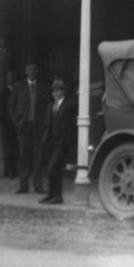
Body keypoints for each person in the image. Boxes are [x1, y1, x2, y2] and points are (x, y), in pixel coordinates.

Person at [8, 63, 48, 194]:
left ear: (37, 72)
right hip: (24, 126)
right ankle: (23, 186)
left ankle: (38, 185)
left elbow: (47, 106)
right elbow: (11, 105)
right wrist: (16, 122)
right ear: (26, 71)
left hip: (37, 126)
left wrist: (45, 123)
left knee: (38, 156)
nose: (32, 72)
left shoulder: (42, 87)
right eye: (30, 69)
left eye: (34, 70)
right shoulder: (18, 87)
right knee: (23, 156)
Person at [39, 77, 76, 205]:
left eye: (58, 91)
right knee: (54, 169)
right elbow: (46, 124)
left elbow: (72, 122)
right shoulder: (50, 106)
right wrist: (45, 139)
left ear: (63, 92)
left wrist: (68, 139)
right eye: (54, 91)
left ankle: (58, 195)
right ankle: (52, 195)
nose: (55, 93)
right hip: (50, 142)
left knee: (53, 168)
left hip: (62, 142)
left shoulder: (69, 105)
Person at [0, 70, 18, 178]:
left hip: (19, 125)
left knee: (18, 148)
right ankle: (10, 170)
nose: (11, 79)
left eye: (13, 77)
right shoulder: (3, 93)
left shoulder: (19, 91)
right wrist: (6, 124)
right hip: (8, 126)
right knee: (9, 149)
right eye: (9, 77)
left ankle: (17, 169)